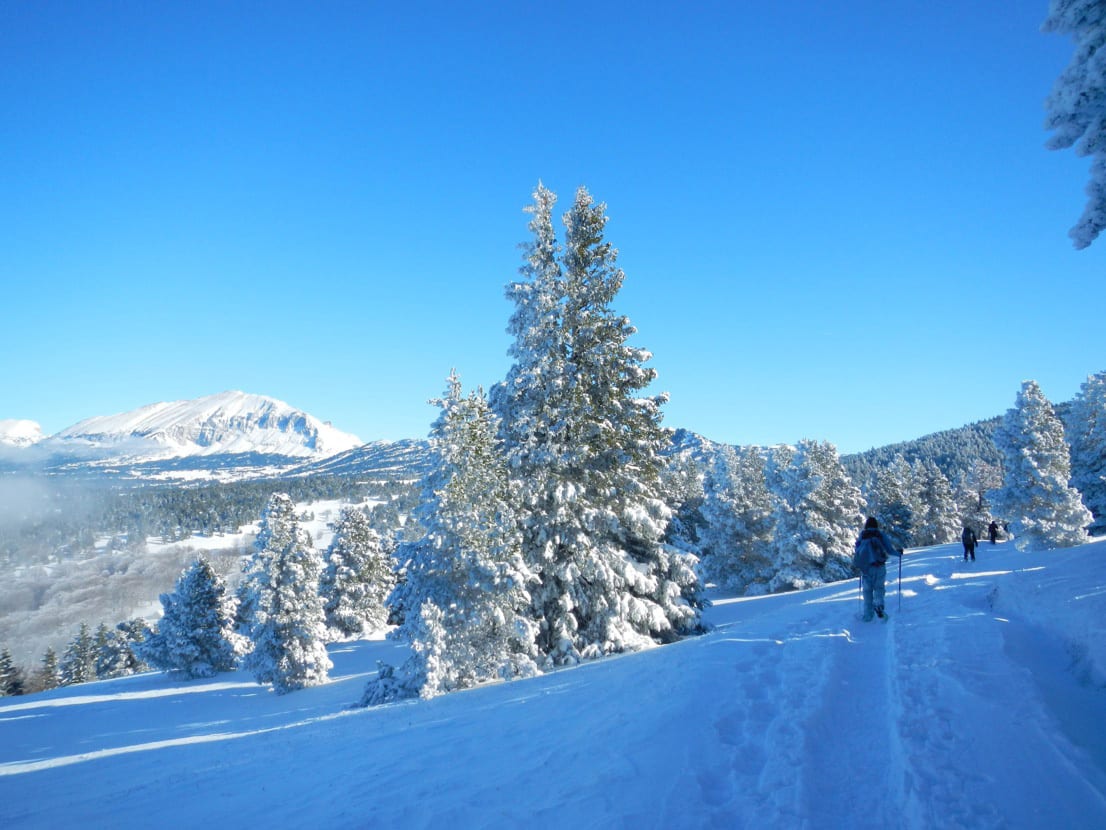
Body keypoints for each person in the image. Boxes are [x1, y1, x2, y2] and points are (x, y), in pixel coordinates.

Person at [853, 517, 904, 621]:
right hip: (879, 566)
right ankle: (879, 606)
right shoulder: (880, 535)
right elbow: (889, 550)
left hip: (866, 568)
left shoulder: (862, 535)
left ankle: (867, 615)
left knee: (867, 590)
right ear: (876, 525)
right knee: (879, 588)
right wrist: (898, 553)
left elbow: (857, 550)